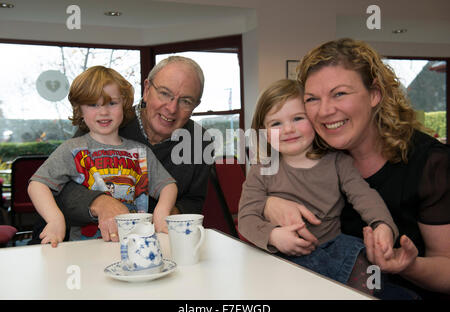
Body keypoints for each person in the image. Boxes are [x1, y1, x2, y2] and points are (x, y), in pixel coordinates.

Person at [264, 38, 450, 299]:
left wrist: (409, 265)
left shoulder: (431, 163)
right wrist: (268, 202)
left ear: (374, 94)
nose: (325, 111)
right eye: (312, 99)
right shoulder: (316, 154)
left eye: (339, 93)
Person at [238, 78, 398, 294]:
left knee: (373, 281)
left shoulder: (338, 162)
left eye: (297, 118)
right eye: (276, 123)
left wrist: (383, 225)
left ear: (314, 120)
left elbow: (365, 196)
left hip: (335, 248)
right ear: (263, 132)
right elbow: (246, 218)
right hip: (281, 254)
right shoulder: (260, 171)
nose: (288, 129)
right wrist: (273, 235)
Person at [43, 56, 212, 242]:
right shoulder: (106, 122)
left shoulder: (200, 141)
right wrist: (98, 202)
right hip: (84, 243)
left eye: (186, 101)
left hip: (157, 242)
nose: (171, 108)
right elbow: (59, 187)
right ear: (147, 89)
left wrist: (164, 215)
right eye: (164, 93)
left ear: (196, 105)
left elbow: (194, 201)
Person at [28, 66, 178, 246]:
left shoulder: (141, 152)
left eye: (112, 103)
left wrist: (161, 212)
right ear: (80, 109)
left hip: (135, 244)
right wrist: (55, 220)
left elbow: (168, 185)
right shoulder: (73, 149)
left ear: (123, 104)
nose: (103, 111)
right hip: (86, 248)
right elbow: (37, 184)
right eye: (93, 104)